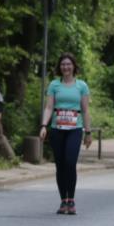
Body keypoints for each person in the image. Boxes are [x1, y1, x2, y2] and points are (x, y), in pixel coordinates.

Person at [39, 53, 92, 215]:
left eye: (69, 64)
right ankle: (63, 201)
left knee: (70, 162)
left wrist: (88, 132)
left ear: (74, 67)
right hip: (57, 129)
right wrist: (44, 125)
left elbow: (85, 110)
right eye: (63, 64)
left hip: (75, 129)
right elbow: (49, 107)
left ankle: (72, 200)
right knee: (60, 165)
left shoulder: (81, 86)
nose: (66, 67)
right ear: (59, 67)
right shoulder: (54, 85)